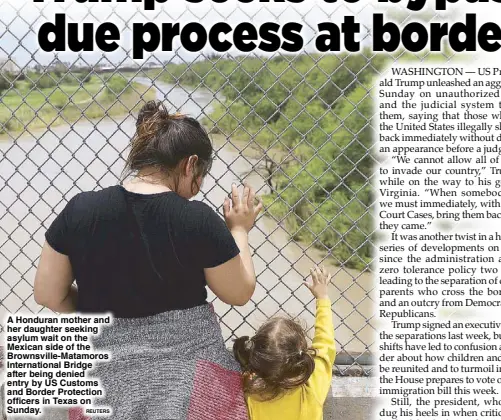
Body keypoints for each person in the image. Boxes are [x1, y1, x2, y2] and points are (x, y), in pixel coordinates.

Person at [33, 100, 262, 420]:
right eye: (202, 174)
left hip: (106, 380)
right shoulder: (197, 219)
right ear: (190, 164)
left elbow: (47, 294)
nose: (200, 185)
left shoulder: (80, 210)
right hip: (187, 383)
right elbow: (239, 292)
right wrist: (239, 229)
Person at [233, 266, 335, 420]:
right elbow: (325, 343)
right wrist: (323, 298)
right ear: (301, 353)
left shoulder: (250, 395)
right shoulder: (312, 387)